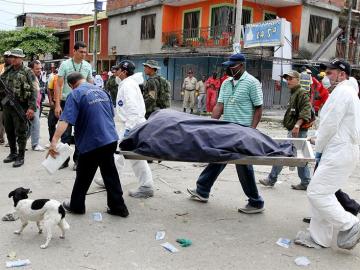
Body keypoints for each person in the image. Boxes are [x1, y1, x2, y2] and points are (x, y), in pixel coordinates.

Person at [187, 53, 265, 214]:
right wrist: (210, 124)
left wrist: (252, 130)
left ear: (241, 66)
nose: (228, 69)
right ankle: (202, 190)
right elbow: (219, 105)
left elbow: (258, 108)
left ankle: (256, 202)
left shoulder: (252, 83)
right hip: (226, 130)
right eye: (227, 66)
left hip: (243, 131)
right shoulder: (226, 83)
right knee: (218, 157)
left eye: (232, 66)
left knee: (243, 166)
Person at [297, 59, 360, 250]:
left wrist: (318, 147)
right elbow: (333, 123)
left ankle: (350, 223)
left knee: (317, 192)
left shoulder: (343, 92)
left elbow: (331, 123)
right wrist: (318, 137)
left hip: (338, 151)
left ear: (342, 75)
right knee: (323, 192)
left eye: (330, 73)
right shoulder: (348, 92)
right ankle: (320, 238)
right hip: (339, 149)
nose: (326, 77)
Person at [48, 72, 129, 217]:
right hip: (110, 139)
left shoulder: (76, 94)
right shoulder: (103, 91)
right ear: (84, 80)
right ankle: (119, 207)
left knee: (83, 176)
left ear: (71, 85)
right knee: (110, 174)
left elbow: (65, 120)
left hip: (93, 142)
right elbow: (111, 114)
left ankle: (77, 206)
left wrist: (54, 141)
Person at [259, 71, 312, 190]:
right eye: (287, 79)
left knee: (284, 153)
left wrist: (297, 125)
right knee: (297, 156)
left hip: (297, 131)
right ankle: (305, 182)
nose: (288, 81)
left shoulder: (302, 93)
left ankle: (272, 179)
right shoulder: (295, 93)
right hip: (294, 130)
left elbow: (306, 111)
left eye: (291, 79)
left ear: (297, 80)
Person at [54, 41, 93, 170]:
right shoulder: (65, 65)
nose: (83, 54)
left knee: (80, 132)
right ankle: (64, 160)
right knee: (65, 133)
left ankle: (78, 160)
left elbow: (90, 84)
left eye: (85, 52)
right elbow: (58, 85)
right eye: (81, 52)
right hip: (67, 102)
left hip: (82, 103)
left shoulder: (87, 66)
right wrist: (57, 105)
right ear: (74, 51)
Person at [0, 48, 36, 167]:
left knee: (21, 131)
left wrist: (31, 108)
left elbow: (33, 90)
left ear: (21, 58)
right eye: (12, 57)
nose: (13, 59)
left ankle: (21, 156)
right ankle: (13, 153)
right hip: (7, 106)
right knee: (9, 130)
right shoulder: (8, 70)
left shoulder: (28, 72)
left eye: (16, 57)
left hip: (21, 105)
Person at [29, 60, 45, 151]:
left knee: (30, 125)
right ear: (31, 69)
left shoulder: (36, 77)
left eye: (40, 68)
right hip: (33, 105)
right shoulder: (30, 78)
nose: (40, 70)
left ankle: (21, 142)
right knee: (36, 124)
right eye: (37, 69)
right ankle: (35, 144)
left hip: (37, 104)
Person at [0, 51, 12, 145]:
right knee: (1, 118)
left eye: (8, 56)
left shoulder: (15, 68)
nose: (6, 58)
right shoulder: (1, 67)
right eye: (5, 57)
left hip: (11, 97)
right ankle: (1, 137)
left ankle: (11, 139)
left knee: (8, 119)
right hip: (2, 97)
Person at [46, 68, 59, 145]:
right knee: (51, 123)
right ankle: (52, 141)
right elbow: (49, 89)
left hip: (65, 102)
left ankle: (64, 143)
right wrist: (51, 101)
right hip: (54, 102)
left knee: (66, 125)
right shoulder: (54, 77)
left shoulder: (69, 78)